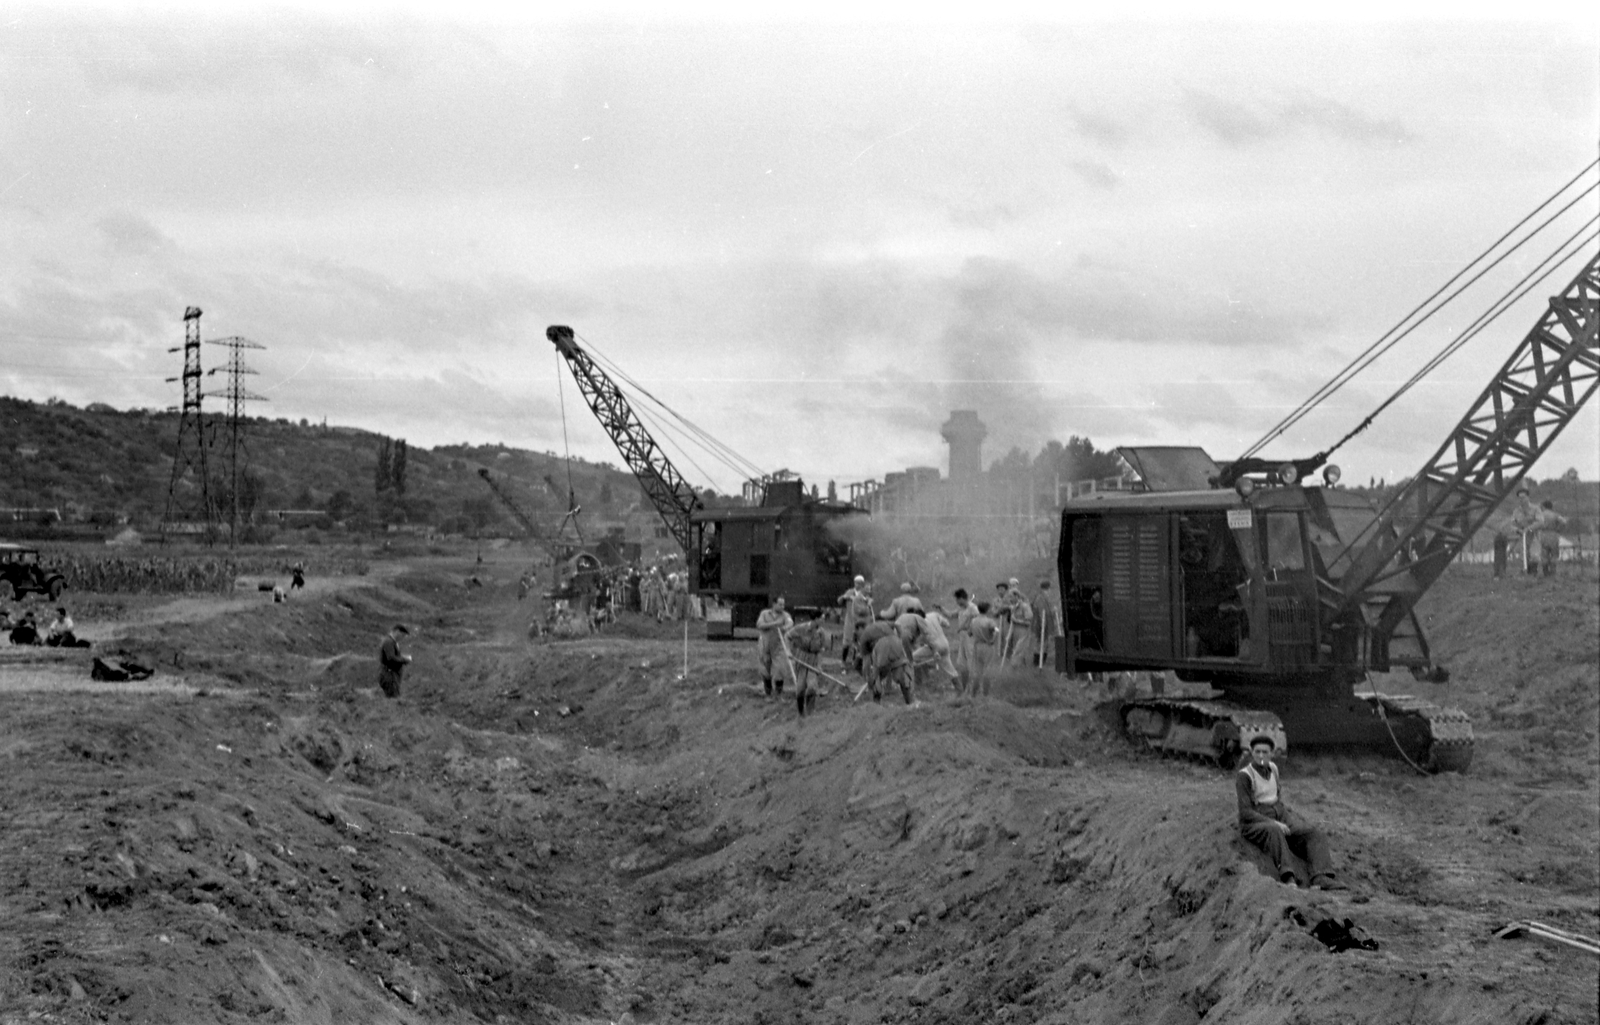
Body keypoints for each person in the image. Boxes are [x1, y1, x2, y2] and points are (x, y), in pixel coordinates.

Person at [1236, 735, 1345, 890]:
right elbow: (1245, 812)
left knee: (1314, 833)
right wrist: (1273, 822)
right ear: (1251, 753)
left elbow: (1277, 795)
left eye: (1265, 752)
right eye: (1257, 752)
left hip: (1278, 814)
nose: (1261, 756)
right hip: (1255, 822)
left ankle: (1321, 877)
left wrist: (1282, 818)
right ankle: (1288, 877)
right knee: (1275, 831)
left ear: (1272, 753)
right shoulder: (1245, 776)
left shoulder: (1273, 769)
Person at [785, 616, 828, 715]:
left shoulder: (821, 633)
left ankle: (810, 713)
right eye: (821, 618)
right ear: (815, 619)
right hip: (801, 660)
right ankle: (801, 713)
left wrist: (819, 666)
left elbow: (821, 651)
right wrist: (788, 651)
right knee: (800, 689)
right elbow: (787, 636)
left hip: (813, 660)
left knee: (812, 687)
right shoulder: (801, 628)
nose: (823, 620)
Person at [755, 597, 794, 698]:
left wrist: (784, 627)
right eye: (780, 604)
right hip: (765, 645)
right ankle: (768, 693)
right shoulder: (764, 613)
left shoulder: (785, 615)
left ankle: (778, 694)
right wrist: (774, 624)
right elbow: (759, 625)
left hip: (779, 646)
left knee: (779, 669)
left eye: (783, 605)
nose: (782, 607)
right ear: (774, 604)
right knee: (765, 670)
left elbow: (790, 622)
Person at [870, 629, 915, 705]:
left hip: (883, 662)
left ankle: (876, 703)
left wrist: (875, 679)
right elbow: (905, 657)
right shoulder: (896, 639)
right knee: (903, 680)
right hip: (899, 660)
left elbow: (877, 667)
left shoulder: (876, 647)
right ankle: (909, 702)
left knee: (877, 678)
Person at [837, 576, 874, 669]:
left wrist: (869, 602)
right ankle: (843, 661)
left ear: (862, 584)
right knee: (847, 641)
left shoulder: (866, 595)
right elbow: (839, 601)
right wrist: (846, 597)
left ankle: (856, 662)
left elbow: (869, 607)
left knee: (860, 642)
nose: (856, 585)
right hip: (850, 620)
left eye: (859, 583)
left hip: (861, 622)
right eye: (855, 582)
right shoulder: (850, 592)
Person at [968, 601, 1002, 698]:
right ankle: (985, 694)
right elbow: (996, 631)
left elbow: (969, 633)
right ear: (987, 610)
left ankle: (973, 694)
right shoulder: (989, 621)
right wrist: (993, 640)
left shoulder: (973, 621)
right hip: (987, 646)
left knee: (978, 670)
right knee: (988, 670)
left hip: (977, 646)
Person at [950, 588, 978, 696]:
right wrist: (941, 609)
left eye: (957, 599)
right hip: (962, 637)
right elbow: (951, 614)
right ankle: (964, 685)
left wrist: (967, 626)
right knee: (962, 663)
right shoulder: (961, 608)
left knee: (971, 660)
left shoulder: (973, 608)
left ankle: (972, 686)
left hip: (970, 636)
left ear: (962, 598)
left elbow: (976, 621)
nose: (956, 602)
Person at [1510, 486, 1542, 576]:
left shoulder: (1535, 509)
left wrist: (1529, 528)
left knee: (1534, 555)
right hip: (1522, 536)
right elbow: (1512, 524)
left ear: (1528, 497)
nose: (1521, 500)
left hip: (1534, 534)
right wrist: (1517, 530)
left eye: (1523, 497)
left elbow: (1540, 521)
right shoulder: (1516, 511)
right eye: (1519, 498)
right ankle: (1525, 574)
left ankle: (1533, 574)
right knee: (1523, 556)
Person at [378, 624, 413, 699]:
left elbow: (394, 656)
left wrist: (402, 657)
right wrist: (405, 660)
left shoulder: (392, 642)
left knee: (394, 696)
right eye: (402, 635)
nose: (403, 638)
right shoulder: (389, 642)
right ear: (397, 632)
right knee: (393, 698)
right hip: (389, 675)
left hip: (392, 674)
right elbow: (390, 658)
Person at [1033, 580, 1061, 669]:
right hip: (1040, 624)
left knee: (1044, 644)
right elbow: (1042, 612)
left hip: (1046, 624)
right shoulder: (1040, 598)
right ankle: (1037, 663)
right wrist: (1042, 624)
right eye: (1047, 590)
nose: (1048, 592)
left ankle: (1042, 662)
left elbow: (1048, 611)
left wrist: (1054, 611)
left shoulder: (1046, 598)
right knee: (1040, 644)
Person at [1537, 500, 1568, 577]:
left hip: (1543, 534)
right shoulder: (1555, 515)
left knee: (1544, 554)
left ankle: (1545, 572)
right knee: (1554, 554)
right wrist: (1559, 529)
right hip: (1553, 534)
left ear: (1544, 506)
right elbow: (1564, 522)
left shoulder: (1540, 515)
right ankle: (1553, 572)